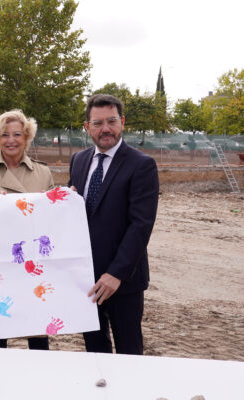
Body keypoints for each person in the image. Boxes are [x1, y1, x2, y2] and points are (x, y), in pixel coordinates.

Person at [68, 94, 159, 355]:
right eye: (97, 123)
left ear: (122, 122)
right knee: (96, 351)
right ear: (87, 127)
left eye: (111, 121)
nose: (105, 128)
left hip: (124, 281)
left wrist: (116, 274)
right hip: (86, 278)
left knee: (129, 351)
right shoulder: (79, 160)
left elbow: (141, 225)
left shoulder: (141, 165)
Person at [0, 109, 53, 350]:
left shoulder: (43, 172)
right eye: (4, 134)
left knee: (37, 328)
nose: (11, 140)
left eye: (17, 134)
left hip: (33, 262)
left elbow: (52, 220)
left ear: (27, 137)